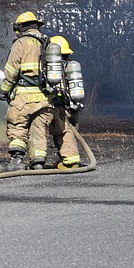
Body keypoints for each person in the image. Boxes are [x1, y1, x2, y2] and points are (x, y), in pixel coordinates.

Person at [0, 11, 54, 171]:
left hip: (24, 96)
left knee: (17, 125)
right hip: (44, 98)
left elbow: (11, 70)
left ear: (20, 27)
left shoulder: (21, 43)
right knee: (39, 129)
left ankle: (17, 162)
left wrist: (4, 90)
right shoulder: (46, 42)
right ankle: (37, 163)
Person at [46, 34, 82, 169]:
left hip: (59, 106)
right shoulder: (69, 67)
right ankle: (65, 158)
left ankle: (70, 162)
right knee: (68, 133)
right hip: (72, 107)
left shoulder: (54, 70)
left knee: (63, 132)